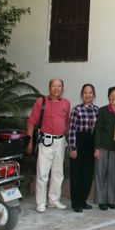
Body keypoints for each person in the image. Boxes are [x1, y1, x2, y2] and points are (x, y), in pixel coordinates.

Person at [26, 78, 71, 213]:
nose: (56, 89)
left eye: (59, 86)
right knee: (43, 173)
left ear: (62, 88)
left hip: (60, 141)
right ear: (49, 87)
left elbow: (67, 122)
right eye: (54, 86)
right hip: (46, 141)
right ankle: (41, 202)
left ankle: (54, 200)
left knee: (58, 173)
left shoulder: (66, 103)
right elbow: (31, 122)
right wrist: (29, 141)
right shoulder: (41, 102)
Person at [68, 84, 99, 213]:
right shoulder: (76, 109)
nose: (88, 95)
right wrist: (72, 147)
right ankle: (76, 203)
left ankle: (83, 200)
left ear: (93, 95)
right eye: (85, 93)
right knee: (76, 173)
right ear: (82, 95)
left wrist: (97, 147)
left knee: (87, 173)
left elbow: (98, 131)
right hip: (79, 141)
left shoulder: (97, 110)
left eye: (90, 93)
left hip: (91, 142)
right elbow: (71, 130)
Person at [93, 86, 115, 210]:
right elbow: (97, 130)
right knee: (100, 174)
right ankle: (100, 200)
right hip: (102, 147)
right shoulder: (102, 111)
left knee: (112, 175)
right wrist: (96, 148)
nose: (114, 97)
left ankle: (110, 200)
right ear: (108, 97)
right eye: (112, 95)